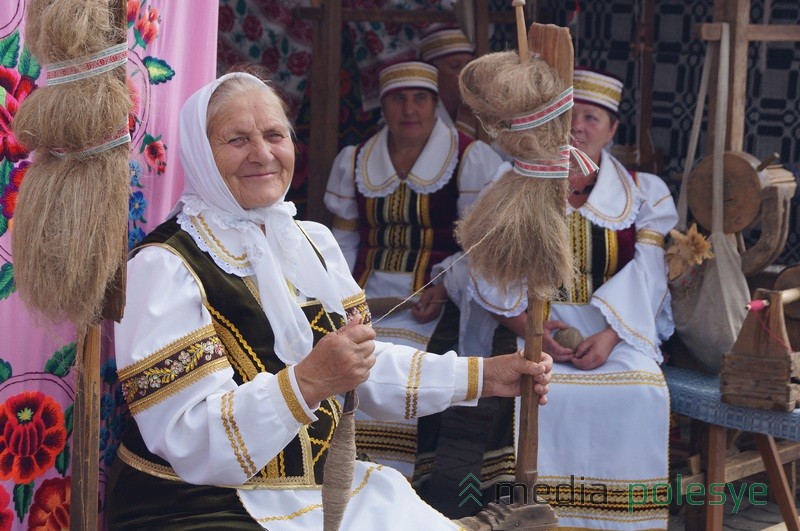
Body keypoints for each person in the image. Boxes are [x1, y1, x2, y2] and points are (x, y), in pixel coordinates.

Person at [105, 71, 552, 530]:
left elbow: (363, 366)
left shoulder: (310, 243)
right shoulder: (165, 267)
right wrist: (308, 382)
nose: (262, 154)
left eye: (274, 135)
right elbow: (189, 437)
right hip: (193, 503)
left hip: (313, 493)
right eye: (236, 139)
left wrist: (483, 376)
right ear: (201, 154)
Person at [469, 67, 679, 530]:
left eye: (592, 117)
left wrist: (608, 337)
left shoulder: (644, 193)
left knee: (642, 387)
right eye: (570, 116)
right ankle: (531, 517)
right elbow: (487, 268)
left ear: (612, 129)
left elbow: (650, 276)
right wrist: (530, 330)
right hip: (537, 326)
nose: (579, 127)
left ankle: (620, 522)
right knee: (540, 393)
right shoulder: (517, 180)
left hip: (620, 331)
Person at [324, 61, 505, 485]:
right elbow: (344, 241)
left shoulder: (468, 157)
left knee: (405, 360)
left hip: (434, 298)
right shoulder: (355, 160)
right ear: (383, 107)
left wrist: (442, 285)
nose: (410, 109)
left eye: (420, 98)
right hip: (366, 295)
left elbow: (474, 247)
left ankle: (399, 481)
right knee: (345, 356)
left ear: (435, 104)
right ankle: (346, 475)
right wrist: (341, 296)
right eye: (398, 99)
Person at [419, 25, 479, 139]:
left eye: (469, 65)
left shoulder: (481, 107)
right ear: (433, 74)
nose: (465, 73)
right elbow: (443, 155)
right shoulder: (417, 114)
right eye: (455, 66)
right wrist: (465, 121)